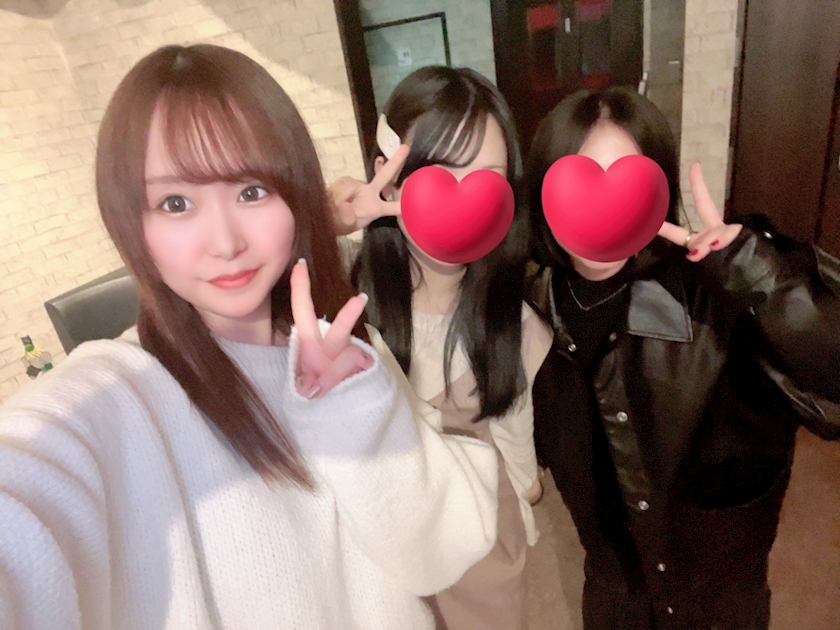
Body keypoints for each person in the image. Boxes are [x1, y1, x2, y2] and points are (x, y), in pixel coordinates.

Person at [0, 44, 503, 630]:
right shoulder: (118, 394)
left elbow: (437, 554)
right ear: (129, 219)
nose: (225, 242)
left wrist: (353, 412)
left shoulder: (340, 346)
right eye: (176, 202)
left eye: (251, 191)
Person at [525, 85, 840, 629]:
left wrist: (755, 272)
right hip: (613, 603)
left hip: (717, 611)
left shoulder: (718, 298)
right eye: (576, 183)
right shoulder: (530, 310)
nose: (601, 207)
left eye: (626, 183)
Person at [329, 65, 555, 630]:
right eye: (442, 175)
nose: (465, 201)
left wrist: (526, 498)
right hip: (375, 570)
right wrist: (328, 216)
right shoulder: (340, 305)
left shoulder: (517, 324)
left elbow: (516, 441)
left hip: (479, 564)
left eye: (487, 182)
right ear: (389, 178)